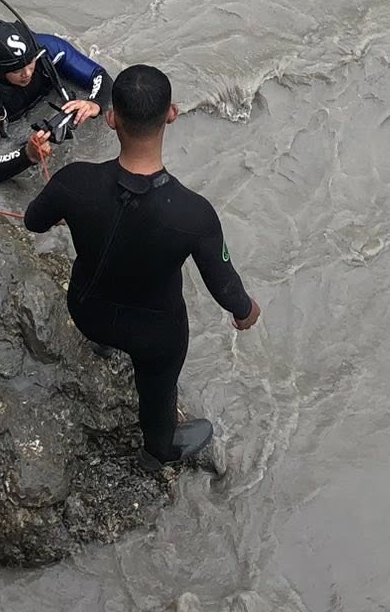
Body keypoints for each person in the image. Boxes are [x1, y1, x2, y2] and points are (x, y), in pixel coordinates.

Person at [24, 64, 261, 466]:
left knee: (104, 309)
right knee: (157, 391)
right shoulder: (194, 214)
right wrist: (245, 311)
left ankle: (102, 347)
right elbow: (223, 285)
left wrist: (51, 183)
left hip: (87, 312)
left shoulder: (74, 181)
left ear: (112, 118)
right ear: (172, 114)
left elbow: (33, 220)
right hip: (156, 337)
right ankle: (159, 450)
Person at [0, 20, 107, 184]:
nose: (27, 73)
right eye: (17, 70)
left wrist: (94, 103)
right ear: (0, 70)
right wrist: (26, 155)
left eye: (30, 63)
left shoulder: (47, 49)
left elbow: (99, 74)